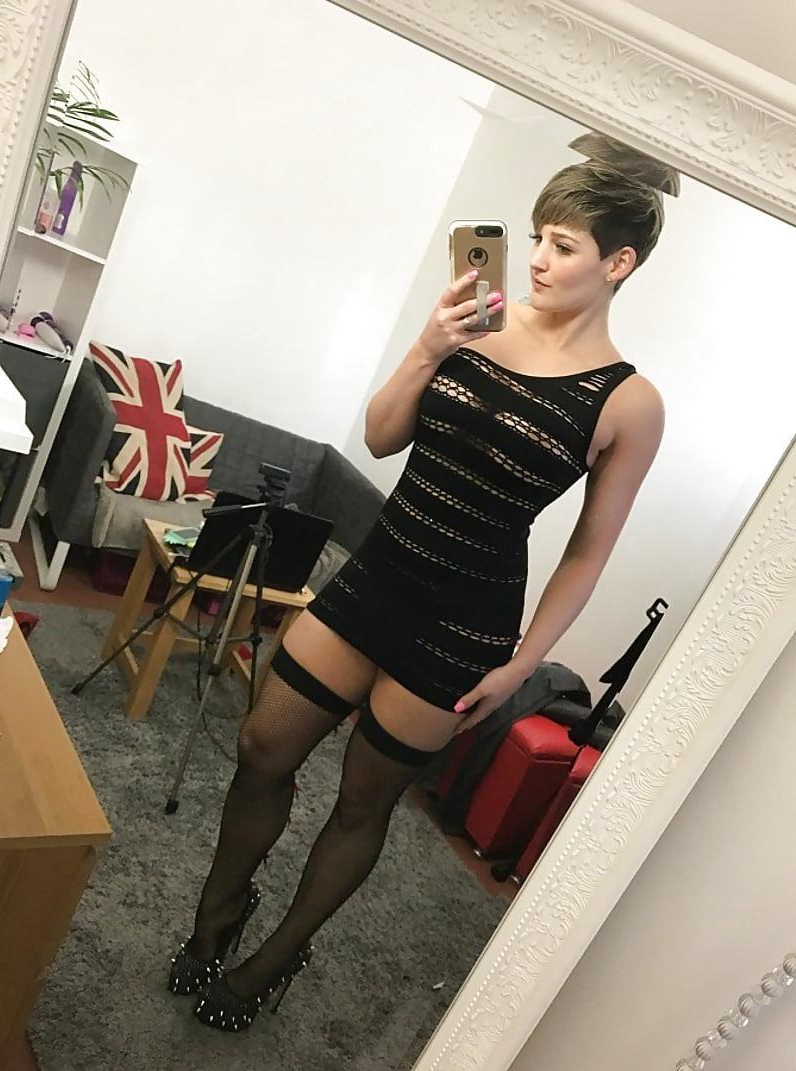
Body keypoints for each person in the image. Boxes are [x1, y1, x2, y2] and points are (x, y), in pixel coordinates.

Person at [168, 134, 676, 1032]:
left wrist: (521, 664)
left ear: (619, 263)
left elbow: (588, 552)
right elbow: (378, 437)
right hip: (376, 576)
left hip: (464, 624)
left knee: (362, 803)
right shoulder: (478, 321)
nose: (537, 258)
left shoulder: (630, 402)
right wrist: (429, 343)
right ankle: (219, 914)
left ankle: (274, 959)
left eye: (562, 245)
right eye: (536, 236)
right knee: (261, 747)